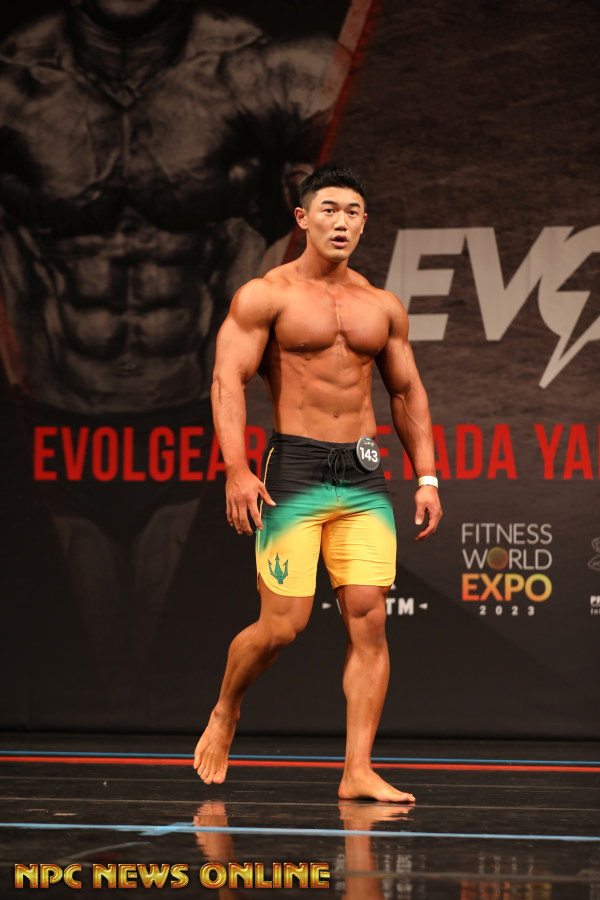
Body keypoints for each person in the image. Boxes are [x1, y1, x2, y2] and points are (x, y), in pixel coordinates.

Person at [0, 0, 346, 676]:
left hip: (197, 430)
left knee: (178, 669)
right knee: (86, 673)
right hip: (54, 433)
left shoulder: (261, 78)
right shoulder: (16, 85)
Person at [194, 164, 442, 801]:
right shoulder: (265, 296)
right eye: (329, 209)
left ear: (364, 223)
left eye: (353, 212)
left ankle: (357, 769)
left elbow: (406, 391)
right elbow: (227, 383)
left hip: (362, 472)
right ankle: (226, 708)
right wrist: (236, 468)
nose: (342, 222)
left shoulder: (381, 305)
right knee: (282, 626)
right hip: (295, 470)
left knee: (370, 620)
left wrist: (427, 476)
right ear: (303, 218)